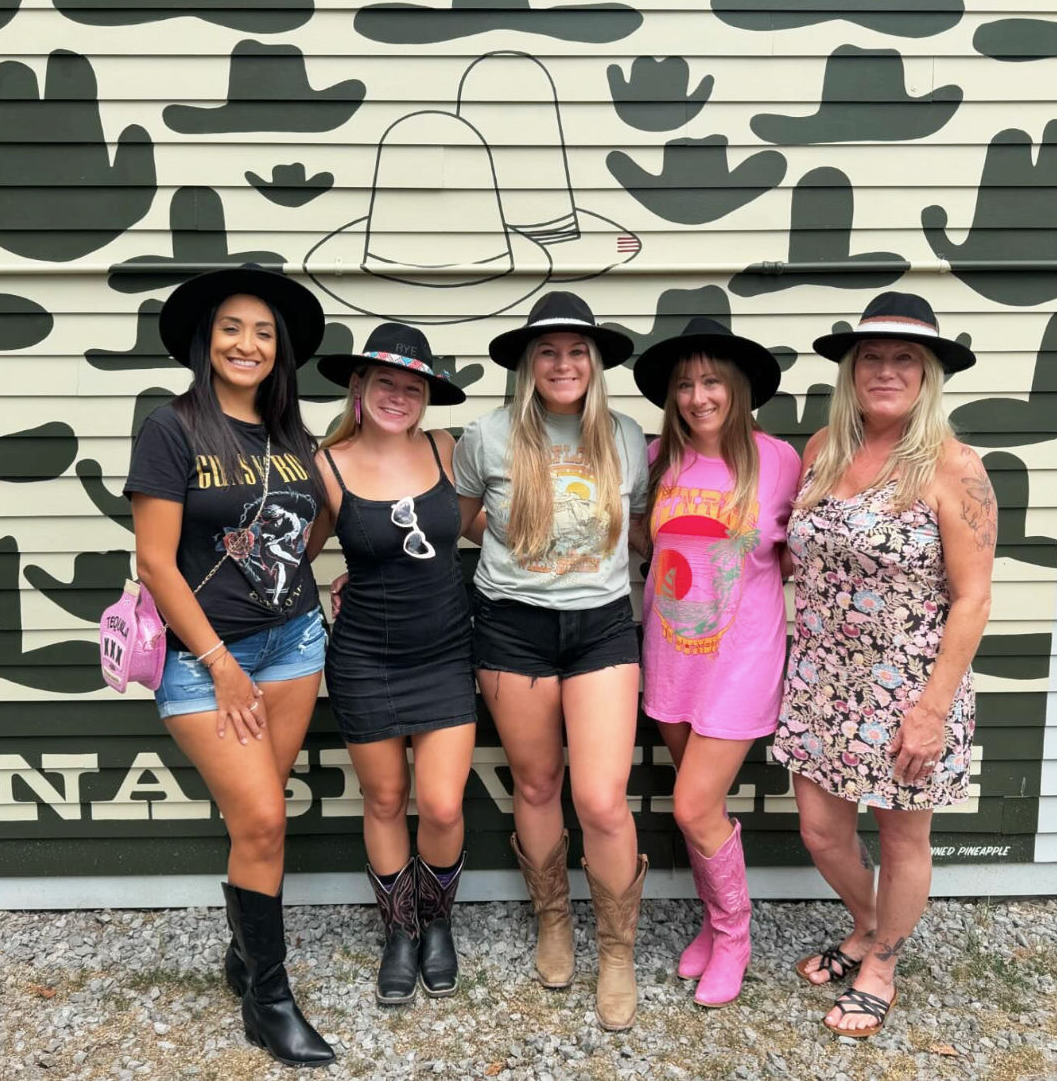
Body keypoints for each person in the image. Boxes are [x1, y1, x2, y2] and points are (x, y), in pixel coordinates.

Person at [124, 265, 334, 1068]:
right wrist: (218, 662)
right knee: (263, 820)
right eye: (232, 328)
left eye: (263, 333)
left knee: (258, 819)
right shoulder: (171, 428)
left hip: (295, 644)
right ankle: (269, 1001)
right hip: (206, 660)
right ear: (205, 341)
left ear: (280, 351)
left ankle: (244, 958)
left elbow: (304, 528)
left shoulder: (291, 435)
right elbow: (154, 561)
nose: (248, 344)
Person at [773, 291, 994, 1038]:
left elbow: (973, 598)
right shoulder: (821, 450)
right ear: (851, 370)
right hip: (819, 678)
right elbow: (797, 554)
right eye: (872, 357)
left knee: (901, 838)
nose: (887, 371)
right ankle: (867, 924)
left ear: (929, 374)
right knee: (819, 830)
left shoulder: (954, 467)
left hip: (909, 685)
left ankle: (882, 965)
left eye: (906, 358)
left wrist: (931, 711)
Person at [454, 290, 649, 1032]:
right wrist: (523, 550)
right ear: (528, 364)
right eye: (547, 352)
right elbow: (461, 522)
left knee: (600, 799)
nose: (563, 364)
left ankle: (618, 951)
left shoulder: (625, 436)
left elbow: (640, 530)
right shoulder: (487, 435)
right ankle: (554, 920)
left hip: (602, 627)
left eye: (576, 352)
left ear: (593, 362)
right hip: (511, 628)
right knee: (536, 784)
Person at [631, 316, 798, 1008]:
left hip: (742, 657)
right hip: (671, 654)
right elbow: (641, 545)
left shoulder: (779, 461)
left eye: (710, 382)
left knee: (693, 803)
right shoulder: (654, 460)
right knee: (704, 807)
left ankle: (733, 936)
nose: (697, 397)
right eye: (683, 384)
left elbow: (798, 559)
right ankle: (712, 920)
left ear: (736, 388)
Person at [315, 323, 476, 1007]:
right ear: (359, 386)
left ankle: (437, 923)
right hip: (365, 658)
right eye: (386, 382)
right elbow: (293, 555)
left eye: (413, 387)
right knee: (383, 799)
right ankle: (399, 932)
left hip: (445, 651)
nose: (398, 397)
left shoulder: (447, 448)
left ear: (426, 398)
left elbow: (479, 527)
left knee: (440, 803)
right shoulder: (326, 465)